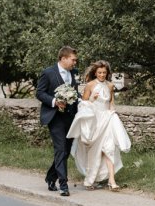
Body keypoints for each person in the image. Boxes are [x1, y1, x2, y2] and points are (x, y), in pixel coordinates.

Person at [67, 60, 131, 191]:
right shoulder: (90, 85)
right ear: (95, 73)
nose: (102, 75)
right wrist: (92, 100)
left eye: (104, 72)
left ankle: (112, 181)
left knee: (109, 148)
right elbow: (83, 105)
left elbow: (111, 103)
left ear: (107, 73)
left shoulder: (110, 86)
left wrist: (113, 113)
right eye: (99, 72)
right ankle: (89, 180)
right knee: (95, 151)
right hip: (94, 121)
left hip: (106, 119)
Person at [36, 46, 79, 197]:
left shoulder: (74, 73)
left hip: (71, 117)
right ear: (63, 58)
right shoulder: (48, 73)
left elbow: (76, 92)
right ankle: (63, 185)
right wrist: (55, 101)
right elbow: (40, 93)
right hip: (55, 116)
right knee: (60, 149)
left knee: (65, 151)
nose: (75, 62)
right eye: (73, 59)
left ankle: (50, 177)